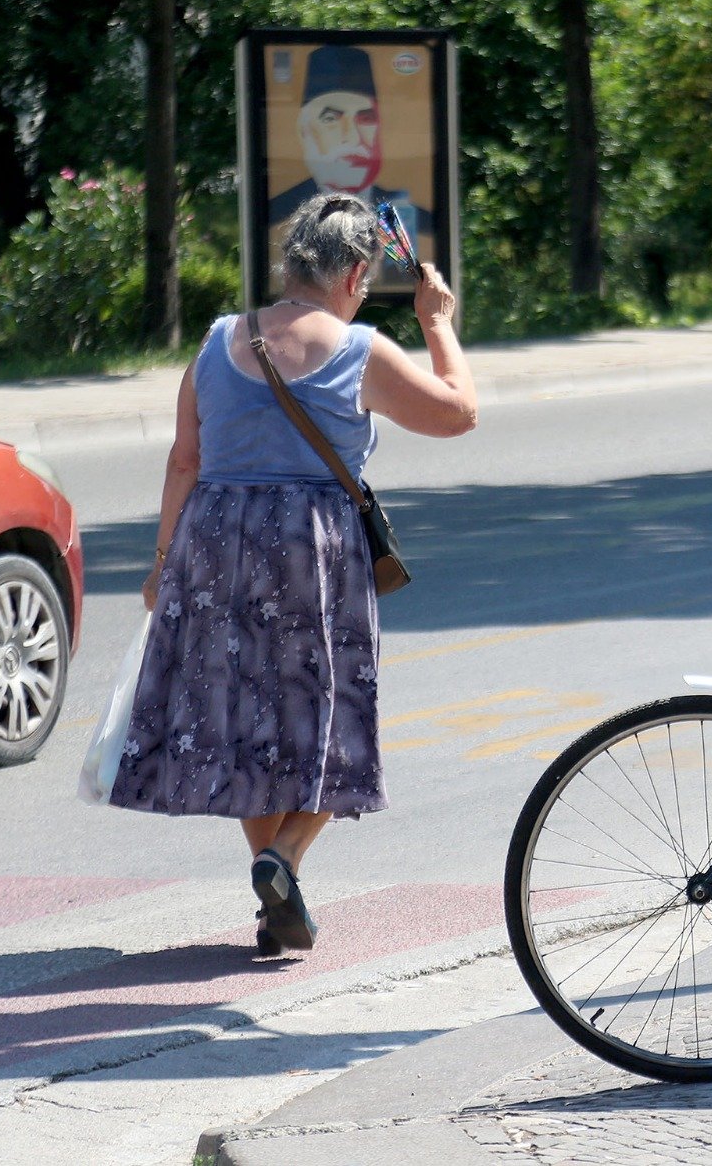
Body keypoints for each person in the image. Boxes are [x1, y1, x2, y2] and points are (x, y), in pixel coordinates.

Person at [109, 192, 476, 956]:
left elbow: (184, 458)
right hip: (310, 548)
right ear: (353, 276)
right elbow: (456, 412)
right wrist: (438, 323)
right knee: (330, 718)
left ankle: (273, 882)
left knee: (243, 719)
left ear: (291, 265)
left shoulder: (215, 342)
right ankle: (285, 859)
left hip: (214, 543)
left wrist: (161, 565)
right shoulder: (358, 350)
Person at [267, 45, 433, 231]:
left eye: (366, 119)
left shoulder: (420, 224)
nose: (354, 138)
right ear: (303, 131)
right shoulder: (275, 216)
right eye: (331, 119)